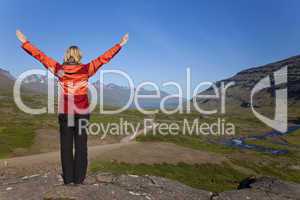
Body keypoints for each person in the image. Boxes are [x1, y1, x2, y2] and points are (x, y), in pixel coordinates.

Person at [16, 30, 129, 185]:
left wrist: (25, 42)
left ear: (66, 55)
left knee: (66, 146)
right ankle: (79, 180)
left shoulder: (60, 69)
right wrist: (120, 44)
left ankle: (68, 179)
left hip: (65, 112)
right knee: (81, 146)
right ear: (79, 56)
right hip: (82, 112)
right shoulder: (86, 69)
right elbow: (104, 58)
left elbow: (40, 56)